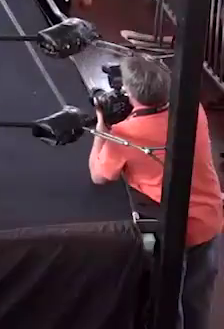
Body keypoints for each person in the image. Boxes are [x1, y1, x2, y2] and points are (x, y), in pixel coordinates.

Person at [88, 55, 222, 329]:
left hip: (171, 231)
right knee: (197, 298)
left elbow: (98, 175)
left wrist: (102, 127)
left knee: (167, 302)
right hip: (209, 220)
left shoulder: (125, 133)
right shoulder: (193, 110)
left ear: (130, 92)